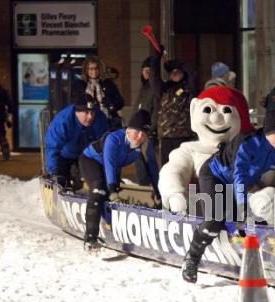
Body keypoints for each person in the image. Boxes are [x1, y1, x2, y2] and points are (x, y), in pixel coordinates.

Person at [180, 109, 275, 283]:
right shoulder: (248, 143)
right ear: (267, 132)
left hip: (240, 184)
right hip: (215, 176)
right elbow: (239, 176)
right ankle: (192, 258)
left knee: (256, 218)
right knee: (215, 219)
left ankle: (265, 259)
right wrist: (243, 208)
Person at [159, 85, 255, 214]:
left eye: (226, 110)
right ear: (194, 110)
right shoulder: (191, 150)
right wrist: (176, 193)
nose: (216, 118)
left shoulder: (246, 151)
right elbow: (174, 170)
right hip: (202, 211)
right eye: (208, 109)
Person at [79, 109, 160, 250]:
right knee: (99, 189)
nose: (139, 136)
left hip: (113, 166)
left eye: (143, 133)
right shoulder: (114, 139)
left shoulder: (146, 144)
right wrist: (111, 189)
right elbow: (109, 164)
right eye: (136, 131)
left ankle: (111, 226)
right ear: (128, 129)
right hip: (91, 161)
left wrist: (160, 194)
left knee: (112, 193)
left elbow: (152, 169)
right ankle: (90, 237)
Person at [44, 93, 109, 189]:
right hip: (64, 156)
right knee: (61, 181)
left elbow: (106, 147)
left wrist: (110, 175)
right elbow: (52, 148)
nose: (90, 117)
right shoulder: (63, 121)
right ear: (76, 112)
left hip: (87, 155)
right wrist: (54, 172)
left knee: (97, 180)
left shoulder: (100, 119)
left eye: (92, 112)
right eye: (86, 113)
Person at [150, 48, 197, 166]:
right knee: (167, 168)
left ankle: (187, 186)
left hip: (183, 136)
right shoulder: (164, 88)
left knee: (184, 167)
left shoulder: (189, 88)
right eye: (172, 72)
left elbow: (193, 74)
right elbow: (154, 78)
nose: (174, 73)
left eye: (178, 71)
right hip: (166, 136)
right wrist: (156, 58)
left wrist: (180, 64)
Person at [72, 56, 124, 130]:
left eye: (96, 68)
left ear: (100, 69)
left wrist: (111, 103)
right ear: (86, 70)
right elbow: (75, 103)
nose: (94, 71)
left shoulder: (108, 83)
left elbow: (120, 103)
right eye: (90, 68)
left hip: (108, 122)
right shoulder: (79, 84)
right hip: (87, 122)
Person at [132, 57, 159, 185]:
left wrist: (151, 128)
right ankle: (144, 182)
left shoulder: (154, 88)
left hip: (147, 131)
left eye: (150, 70)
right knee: (138, 156)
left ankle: (152, 184)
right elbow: (137, 109)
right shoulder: (143, 88)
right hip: (137, 130)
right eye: (145, 70)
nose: (147, 72)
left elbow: (156, 110)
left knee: (149, 158)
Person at [0, 69, 12, 161]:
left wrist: (9, 117)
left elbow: (9, 104)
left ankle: (6, 155)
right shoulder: (2, 90)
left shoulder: (2, 91)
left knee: (1, 136)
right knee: (0, 136)